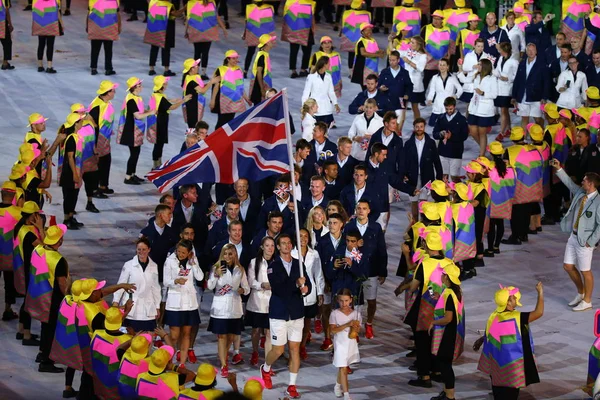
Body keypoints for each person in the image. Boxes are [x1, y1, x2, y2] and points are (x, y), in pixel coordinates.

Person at [260, 234, 311, 399]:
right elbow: (279, 289)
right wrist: (297, 284)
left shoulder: (299, 264)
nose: (287, 245)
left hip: (296, 313)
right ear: (278, 247)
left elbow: (307, 282)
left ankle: (291, 386)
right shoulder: (272, 266)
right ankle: (266, 368)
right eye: (283, 243)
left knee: (294, 348)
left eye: (289, 243)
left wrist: (306, 289)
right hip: (279, 313)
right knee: (278, 350)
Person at [475, 283, 544, 399]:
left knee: (498, 391)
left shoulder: (494, 315)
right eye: (513, 298)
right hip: (512, 367)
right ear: (507, 302)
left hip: (497, 364)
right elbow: (539, 312)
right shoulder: (518, 317)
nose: (516, 298)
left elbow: (490, 333)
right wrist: (540, 293)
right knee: (510, 394)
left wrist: (481, 339)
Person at [552, 159, 600, 311]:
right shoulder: (581, 192)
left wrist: (591, 241)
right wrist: (559, 169)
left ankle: (587, 301)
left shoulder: (599, 201)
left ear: (591, 184)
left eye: (585, 180)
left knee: (585, 271)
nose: (582, 182)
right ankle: (581, 293)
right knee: (568, 266)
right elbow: (569, 184)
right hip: (573, 236)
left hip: (585, 241)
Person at [25, 224, 70, 373]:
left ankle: (42, 352)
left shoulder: (38, 250)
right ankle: (46, 361)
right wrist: (70, 298)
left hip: (38, 296)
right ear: (60, 241)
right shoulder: (58, 260)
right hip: (52, 300)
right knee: (51, 329)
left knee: (45, 327)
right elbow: (62, 284)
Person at [345, 199, 386, 339]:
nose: (361, 210)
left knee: (371, 300)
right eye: (359, 208)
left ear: (369, 211)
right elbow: (344, 246)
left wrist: (383, 271)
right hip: (354, 270)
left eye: (364, 208)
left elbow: (381, 249)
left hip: (371, 270)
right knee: (355, 300)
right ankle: (355, 327)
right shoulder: (349, 226)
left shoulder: (376, 227)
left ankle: (369, 323)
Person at [207, 243, 250, 376]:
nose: (227, 256)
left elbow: (247, 288)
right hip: (220, 308)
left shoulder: (240, 269)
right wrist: (215, 275)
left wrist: (242, 290)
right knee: (222, 337)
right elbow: (209, 286)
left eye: (230, 254)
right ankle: (223, 364)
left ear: (235, 255)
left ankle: (223, 356)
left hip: (235, 308)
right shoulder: (216, 267)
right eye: (225, 254)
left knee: (231, 336)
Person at [164, 240, 204, 366]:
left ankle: (182, 363)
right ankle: (168, 359)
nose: (180, 254)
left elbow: (200, 277)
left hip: (189, 303)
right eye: (179, 251)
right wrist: (175, 281)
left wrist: (193, 263)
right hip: (175, 303)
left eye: (183, 252)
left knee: (187, 333)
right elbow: (166, 281)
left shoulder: (192, 261)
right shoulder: (169, 261)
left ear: (189, 253)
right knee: (175, 335)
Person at [429, 264, 464, 400]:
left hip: (447, 334)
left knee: (445, 365)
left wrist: (433, 322)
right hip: (451, 333)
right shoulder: (453, 291)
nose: (441, 275)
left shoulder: (449, 294)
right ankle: (446, 392)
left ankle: (450, 397)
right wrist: (438, 296)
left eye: (443, 274)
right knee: (444, 364)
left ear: (447, 277)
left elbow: (448, 318)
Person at [12, 201, 44, 346]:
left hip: (20, 268)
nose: (39, 217)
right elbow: (45, 247)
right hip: (28, 270)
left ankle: (21, 330)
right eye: (37, 214)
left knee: (26, 301)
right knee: (29, 303)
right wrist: (41, 229)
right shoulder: (29, 234)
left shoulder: (19, 227)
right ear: (31, 215)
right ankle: (26, 334)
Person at [112, 237, 161, 332]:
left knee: (147, 338)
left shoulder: (154, 266)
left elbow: (155, 288)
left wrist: (157, 307)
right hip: (131, 308)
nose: (141, 252)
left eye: (144, 249)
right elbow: (121, 285)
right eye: (139, 249)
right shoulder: (128, 265)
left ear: (149, 250)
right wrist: (115, 302)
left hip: (148, 310)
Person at [117, 77, 156, 185]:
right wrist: (150, 113)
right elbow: (138, 115)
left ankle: (132, 174)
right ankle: (128, 177)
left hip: (136, 129)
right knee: (134, 154)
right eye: (139, 85)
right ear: (134, 88)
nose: (141, 87)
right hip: (131, 130)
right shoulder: (131, 100)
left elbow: (140, 111)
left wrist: (148, 111)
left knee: (136, 152)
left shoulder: (136, 97)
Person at [403, 117, 443, 220]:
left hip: (427, 177)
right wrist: (403, 175)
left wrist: (439, 178)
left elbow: (436, 161)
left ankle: (424, 225)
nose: (419, 129)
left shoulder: (431, 143)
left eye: (421, 127)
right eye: (417, 127)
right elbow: (404, 161)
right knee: (414, 201)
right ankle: (415, 224)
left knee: (424, 202)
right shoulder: (408, 144)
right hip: (412, 177)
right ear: (414, 128)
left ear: (424, 128)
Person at [90, 306, 134, 399]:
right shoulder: (128, 340)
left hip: (100, 381)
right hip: (117, 386)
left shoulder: (97, 334)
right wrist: (134, 336)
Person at [147, 75, 191, 169]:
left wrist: (174, 100)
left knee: (159, 144)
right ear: (161, 85)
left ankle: (158, 162)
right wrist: (183, 100)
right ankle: (156, 165)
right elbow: (172, 107)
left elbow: (165, 100)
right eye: (165, 83)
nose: (166, 84)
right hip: (159, 123)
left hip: (157, 122)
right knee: (159, 144)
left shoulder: (156, 94)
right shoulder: (160, 98)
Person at [246, 236, 275, 366]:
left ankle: (268, 362)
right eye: (267, 245)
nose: (270, 248)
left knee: (269, 331)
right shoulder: (254, 262)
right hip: (257, 302)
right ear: (262, 247)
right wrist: (262, 285)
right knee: (256, 330)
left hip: (272, 302)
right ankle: (255, 351)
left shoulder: (277, 261)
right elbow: (251, 281)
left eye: (272, 245)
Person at [296, 228, 324, 360]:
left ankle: (302, 346)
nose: (303, 238)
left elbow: (318, 274)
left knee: (306, 323)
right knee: (295, 323)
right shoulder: (291, 253)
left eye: (305, 236)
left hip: (310, 293)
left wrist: (320, 292)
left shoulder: (315, 254)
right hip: (295, 293)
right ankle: (293, 347)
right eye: (300, 236)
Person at [484, 141, 516, 256]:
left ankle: (490, 249)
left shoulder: (489, 168)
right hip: (505, 200)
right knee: (500, 224)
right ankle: (497, 246)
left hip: (492, 201)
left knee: (491, 226)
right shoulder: (510, 169)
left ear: (491, 153)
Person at [330, 288, 361, 400]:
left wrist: (356, 328)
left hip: (351, 344)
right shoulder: (334, 314)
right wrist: (348, 324)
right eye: (342, 301)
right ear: (338, 300)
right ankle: (347, 395)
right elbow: (333, 330)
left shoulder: (356, 314)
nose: (344, 303)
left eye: (346, 301)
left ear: (351, 300)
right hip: (340, 344)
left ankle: (337, 386)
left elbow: (357, 331)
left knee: (342, 367)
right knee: (343, 368)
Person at [185, 0, 228, 79]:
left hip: (196, 31)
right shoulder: (212, 3)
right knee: (205, 53)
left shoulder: (191, 3)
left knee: (197, 52)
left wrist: (186, 31)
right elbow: (217, 18)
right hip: (209, 31)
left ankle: (196, 71)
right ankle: (204, 72)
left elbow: (188, 19)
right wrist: (224, 29)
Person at [89, 80, 118, 195]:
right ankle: (95, 189)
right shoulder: (97, 105)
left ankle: (103, 185)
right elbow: (90, 120)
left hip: (105, 138)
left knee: (106, 161)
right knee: (98, 163)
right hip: (98, 138)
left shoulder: (106, 102)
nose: (114, 92)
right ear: (107, 92)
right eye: (113, 90)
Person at [210, 50, 251, 129]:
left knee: (229, 122)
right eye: (233, 58)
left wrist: (246, 99)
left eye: (236, 58)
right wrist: (212, 101)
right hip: (223, 100)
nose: (236, 60)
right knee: (221, 122)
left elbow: (240, 87)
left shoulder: (238, 69)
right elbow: (216, 86)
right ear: (228, 59)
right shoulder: (221, 70)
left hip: (234, 101)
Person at [57, 113, 85, 230]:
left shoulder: (74, 136)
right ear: (75, 124)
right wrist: (75, 174)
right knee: (69, 196)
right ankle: (66, 219)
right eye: (80, 121)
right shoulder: (71, 139)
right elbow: (70, 157)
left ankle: (71, 217)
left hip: (74, 170)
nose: (82, 123)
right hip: (70, 172)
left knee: (74, 195)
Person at [432, 97, 468, 183]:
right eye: (447, 109)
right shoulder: (441, 118)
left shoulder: (462, 120)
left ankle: (458, 195)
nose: (449, 111)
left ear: (454, 107)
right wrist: (441, 134)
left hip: (455, 153)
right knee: (443, 177)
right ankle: (444, 195)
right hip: (442, 152)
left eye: (451, 109)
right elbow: (434, 134)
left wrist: (451, 136)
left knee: (454, 177)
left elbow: (464, 136)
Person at [512, 43, 548, 129]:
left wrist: (544, 97)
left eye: (533, 50)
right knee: (524, 118)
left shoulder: (542, 64)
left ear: (536, 51)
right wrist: (514, 96)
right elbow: (517, 80)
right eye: (529, 50)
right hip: (523, 96)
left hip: (536, 97)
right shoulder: (522, 63)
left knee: (538, 119)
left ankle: (540, 136)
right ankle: (524, 139)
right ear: (526, 52)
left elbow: (546, 82)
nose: (531, 52)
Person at [467, 58, 498, 156]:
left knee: (482, 133)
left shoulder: (492, 78)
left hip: (485, 109)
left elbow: (494, 94)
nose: (478, 66)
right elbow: (466, 80)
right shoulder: (476, 76)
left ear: (485, 66)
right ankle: (485, 148)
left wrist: (483, 93)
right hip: (474, 108)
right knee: (472, 131)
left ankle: (482, 155)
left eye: (480, 64)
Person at [302, 55, 341, 128]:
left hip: (327, 109)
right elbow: (306, 93)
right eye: (329, 63)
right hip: (315, 109)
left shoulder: (328, 76)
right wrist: (304, 107)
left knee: (326, 130)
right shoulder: (311, 77)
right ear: (324, 64)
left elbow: (331, 92)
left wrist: (335, 104)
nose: (330, 65)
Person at [144, 0, 180, 76]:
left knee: (154, 47)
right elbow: (176, 14)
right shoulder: (168, 6)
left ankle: (151, 68)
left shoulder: (152, 2)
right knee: (166, 49)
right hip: (166, 29)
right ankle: (166, 69)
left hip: (154, 29)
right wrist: (185, 7)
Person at [282, 0, 316, 78]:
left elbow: (286, 17)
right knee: (307, 50)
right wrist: (313, 29)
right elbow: (312, 18)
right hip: (306, 29)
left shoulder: (289, 2)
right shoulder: (310, 3)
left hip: (293, 29)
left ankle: (293, 71)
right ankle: (303, 69)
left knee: (293, 50)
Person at [243, 0, 275, 78]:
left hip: (253, 34)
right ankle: (263, 71)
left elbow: (247, 23)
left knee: (250, 53)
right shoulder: (270, 8)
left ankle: (245, 71)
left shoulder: (249, 8)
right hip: (264, 35)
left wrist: (245, 34)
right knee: (263, 54)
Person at [426, 58, 463, 127]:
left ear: (447, 67)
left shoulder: (453, 77)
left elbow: (460, 89)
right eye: (440, 65)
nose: (442, 67)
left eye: (444, 65)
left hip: (449, 105)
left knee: (449, 126)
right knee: (435, 125)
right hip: (438, 104)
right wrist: (430, 99)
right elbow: (432, 90)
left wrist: (455, 96)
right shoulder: (435, 77)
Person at [87, 0, 120, 76]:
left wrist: (88, 26)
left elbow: (89, 13)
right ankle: (108, 69)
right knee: (108, 49)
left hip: (96, 26)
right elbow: (117, 14)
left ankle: (93, 68)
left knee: (95, 48)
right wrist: (118, 26)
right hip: (109, 26)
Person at [493, 42, 518, 141]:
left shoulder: (514, 62)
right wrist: (495, 73)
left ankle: (501, 133)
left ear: (505, 50)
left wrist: (507, 79)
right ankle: (509, 129)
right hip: (500, 88)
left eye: (500, 50)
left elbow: (516, 76)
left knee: (503, 110)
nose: (499, 52)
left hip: (508, 89)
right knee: (505, 110)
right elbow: (498, 70)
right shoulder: (500, 59)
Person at [377, 50, 413, 119]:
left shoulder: (405, 73)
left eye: (393, 60)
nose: (391, 62)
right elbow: (378, 84)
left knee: (398, 122)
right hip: (386, 102)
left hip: (399, 102)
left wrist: (407, 94)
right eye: (390, 60)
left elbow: (409, 85)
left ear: (398, 60)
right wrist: (380, 88)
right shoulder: (384, 72)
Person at [421, 11, 450, 91]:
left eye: (438, 19)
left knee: (440, 82)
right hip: (429, 62)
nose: (435, 21)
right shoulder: (426, 28)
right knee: (425, 81)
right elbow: (421, 43)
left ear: (442, 20)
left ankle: (435, 98)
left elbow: (449, 45)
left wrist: (448, 57)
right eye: (434, 18)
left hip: (441, 62)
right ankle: (422, 98)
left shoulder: (447, 29)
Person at [181, 59, 215, 130]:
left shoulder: (191, 76)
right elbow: (202, 91)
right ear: (191, 69)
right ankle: (190, 140)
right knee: (193, 127)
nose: (198, 67)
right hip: (192, 106)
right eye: (195, 66)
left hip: (194, 104)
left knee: (193, 127)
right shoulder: (191, 80)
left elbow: (199, 87)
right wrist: (211, 82)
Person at [351, 23, 385, 89]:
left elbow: (374, 50)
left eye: (370, 30)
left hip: (372, 66)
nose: (369, 32)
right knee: (366, 85)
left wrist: (380, 51)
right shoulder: (361, 42)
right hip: (363, 66)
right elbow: (363, 53)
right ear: (362, 32)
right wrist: (377, 55)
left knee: (372, 84)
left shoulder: (372, 40)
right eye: (367, 30)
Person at [400, 36, 427, 119]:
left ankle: (418, 127)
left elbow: (420, 68)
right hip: (405, 84)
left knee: (415, 107)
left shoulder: (423, 56)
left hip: (415, 85)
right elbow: (396, 52)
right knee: (402, 108)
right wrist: (391, 42)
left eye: (412, 42)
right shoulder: (407, 51)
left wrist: (408, 61)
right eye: (410, 42)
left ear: (418, 45)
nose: (410, 44)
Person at [457, 38, 489, 108]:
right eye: (478, 46)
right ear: (474, 46)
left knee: (480, 105)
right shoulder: (469, 55)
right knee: (469, 105)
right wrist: (473, 67)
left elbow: (489, 68)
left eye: (482, 46)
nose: (480, 48)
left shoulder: (486, 56)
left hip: (481, 83)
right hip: (470, 83)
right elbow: (464, 68)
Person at [32, 0, 62, 73]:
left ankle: (40, 65)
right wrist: (61, 24)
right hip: (51, 24)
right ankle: (49, 66)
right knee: (50, 45)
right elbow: (58, 12)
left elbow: (34, 11)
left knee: (41, 44)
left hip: (40, 23)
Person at [309, 35, 343, 100]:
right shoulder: (317, 55)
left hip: (334, 82)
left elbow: (338, 69)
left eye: (329, 42)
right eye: (324, 43)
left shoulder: (336, 55)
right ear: (321, 45)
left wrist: (340, 81)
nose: (327, 44)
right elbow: (313, 69)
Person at [248, 34, 275, 105]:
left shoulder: (264, 54)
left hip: (261, 87)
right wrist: (262, 89)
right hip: (259, 88)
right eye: (271, 41)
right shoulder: (262, 56)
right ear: (267, 43)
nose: (272, 43)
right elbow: (259, 73)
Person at [0, 0, 14, 71]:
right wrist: (10, 24)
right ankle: (5, 62)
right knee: (7, 42)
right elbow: (6, 11)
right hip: (2, 22)